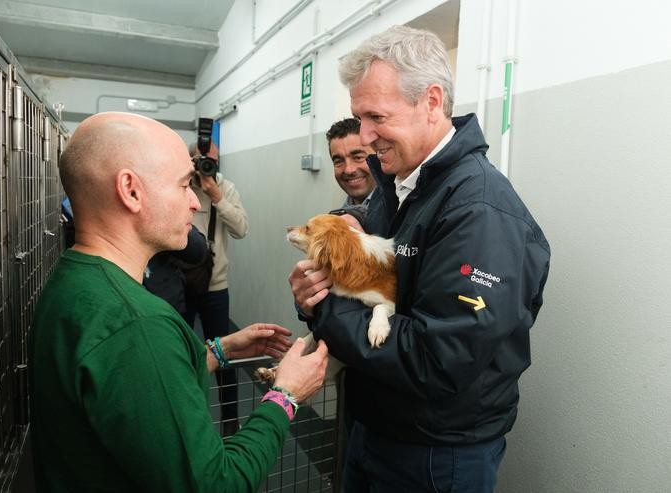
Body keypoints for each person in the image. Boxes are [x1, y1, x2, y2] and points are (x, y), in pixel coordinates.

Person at [289, 26, 550, 493]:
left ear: (431, 101)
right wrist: (319, 291)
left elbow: (439, 358)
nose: (365, 137)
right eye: (357, 117)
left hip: (435, 454)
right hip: (374, 427)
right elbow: (379, 294)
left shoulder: (479, 210)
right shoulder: (395, 188)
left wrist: (327, 309)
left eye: (375, 116)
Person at [30, 111, 329, 492]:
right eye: (184, 184)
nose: (195, 202)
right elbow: (215, 485)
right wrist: (285, 395)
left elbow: (129, 392)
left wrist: (219, 351)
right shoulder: (137, 324)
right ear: (131, 191)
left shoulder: (76, 279)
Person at [186, 140, 248, 436]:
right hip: (180, 285)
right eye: (201, 161)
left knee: (224, 356)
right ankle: (186, 416)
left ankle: (230, 423)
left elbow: (241, 230)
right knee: (181, 355)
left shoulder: (226, 187)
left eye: (213, 161)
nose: (207, 167)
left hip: (215, 285)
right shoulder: (180, 186)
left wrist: (217, 197)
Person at [326, 117, 377, 209]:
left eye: (358, 157)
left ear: (379, 156)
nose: (349, 170)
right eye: (339, 161)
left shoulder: (400, 212)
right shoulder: (338, 219)